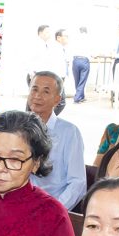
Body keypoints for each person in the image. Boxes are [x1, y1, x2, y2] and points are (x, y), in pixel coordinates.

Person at [28, 71, 86, 210]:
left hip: (51, 207)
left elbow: (78, 182)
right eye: (34, 89)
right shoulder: (18, 126)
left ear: (57, 100)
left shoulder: (69, 132)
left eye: (46, 91)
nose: (37, 96)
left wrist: (54, 210)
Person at [70, 27, 92, 103]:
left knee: (77, 80)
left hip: (75, 60)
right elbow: (92, 52)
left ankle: (81, 96)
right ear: (86, 31)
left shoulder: (74, 39)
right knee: (82, 80)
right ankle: (77, 98)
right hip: (84, 60)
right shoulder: (88, 39)